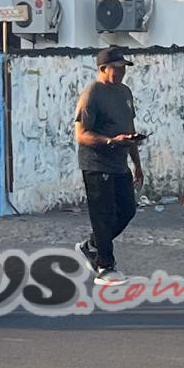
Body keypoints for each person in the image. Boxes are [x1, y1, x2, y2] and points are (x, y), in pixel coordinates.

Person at [74, 46, 146, 285]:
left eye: (123, 68)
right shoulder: (92, 93)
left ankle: (93, 244)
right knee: (102, 215)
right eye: (116, 68)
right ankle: (105, 265)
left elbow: (129, 128)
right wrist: (109, 141)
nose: (121, 73)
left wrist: (137, 163)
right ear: (103, 69)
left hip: (119, 163)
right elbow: (81, 135)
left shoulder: (124, 92)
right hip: (96, 163)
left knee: (127, 210)